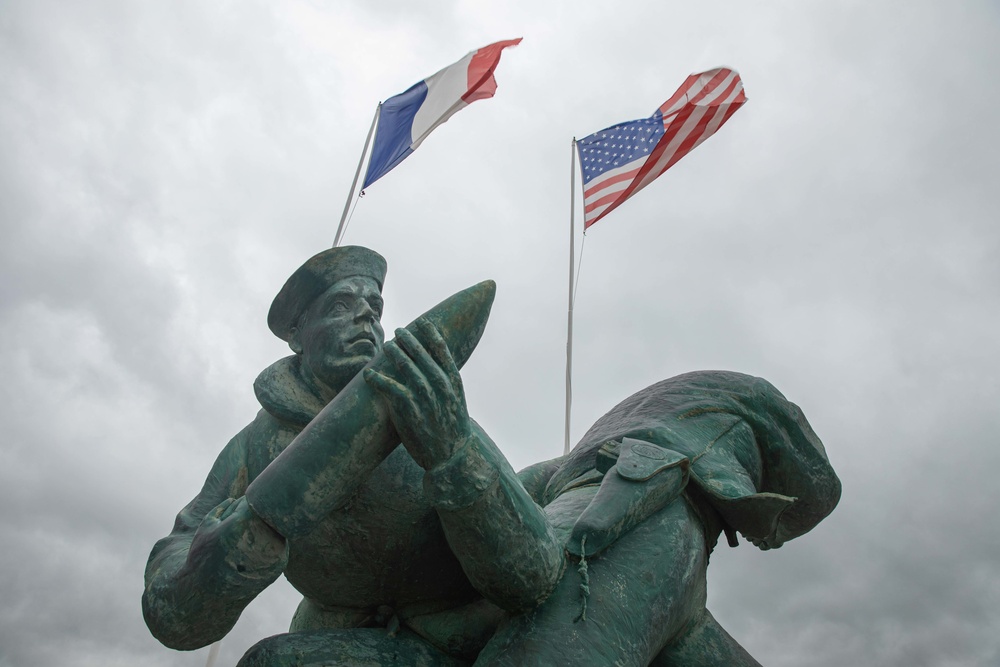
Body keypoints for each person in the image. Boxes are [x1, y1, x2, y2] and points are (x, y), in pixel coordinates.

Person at [142, 246, 565, 665]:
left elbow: (534, 577)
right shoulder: (254, 449)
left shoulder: (426, 407)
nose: (366, 316)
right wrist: (215, 565)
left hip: (470, 635)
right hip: (342, 641)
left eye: (374, 308)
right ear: (297, 336)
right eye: (341, 305)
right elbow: (174, 612)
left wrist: (454, 455)